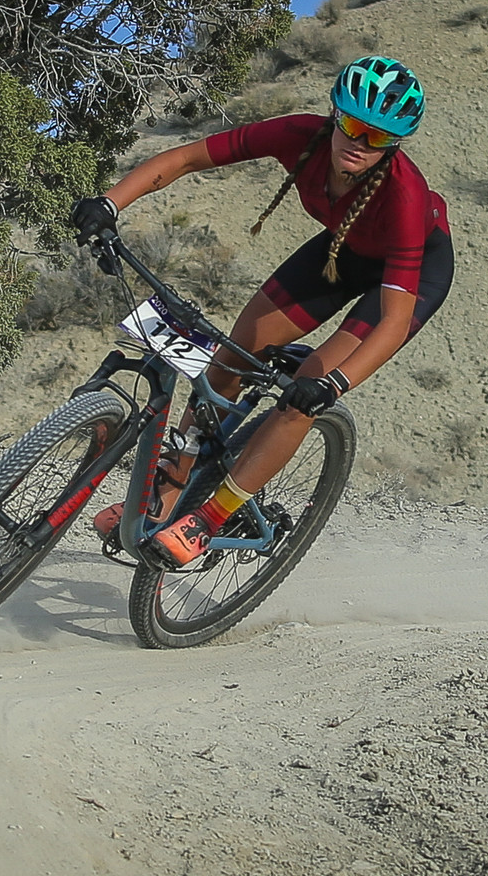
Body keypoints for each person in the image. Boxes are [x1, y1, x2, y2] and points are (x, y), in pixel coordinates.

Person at [69, 55, 453, 569]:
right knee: (234, 355)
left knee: (306, 391)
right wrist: (111, 203)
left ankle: (210, 518)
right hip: (344, 250)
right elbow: (188, 158)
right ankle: (169, 487)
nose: (361, 143)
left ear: (396, 144)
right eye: (354, 125)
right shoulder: (298, 134)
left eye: (380, 137)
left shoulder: (404, 195)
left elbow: (393, 322)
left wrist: (333, 385)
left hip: (411, 277)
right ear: (335, 114)